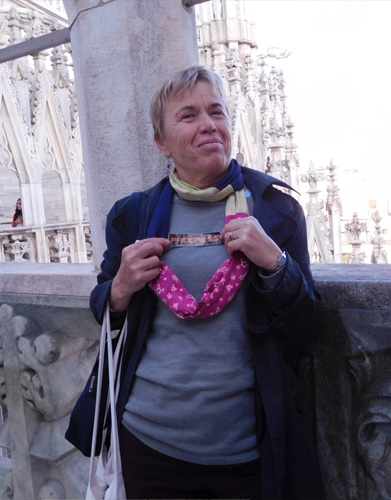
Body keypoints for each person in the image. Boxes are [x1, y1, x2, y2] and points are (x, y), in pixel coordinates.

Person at [87, 66, 324, 499]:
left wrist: (276, 264)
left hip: (246, 448)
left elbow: (308, 325)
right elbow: (103, 308)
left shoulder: (275, 211)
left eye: (217, 112)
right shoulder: (132, 215)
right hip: (147, 441)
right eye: (188, 115)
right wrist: (119, 287)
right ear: (162, 142)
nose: (208, 125)